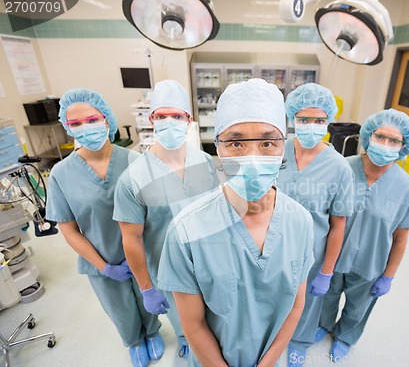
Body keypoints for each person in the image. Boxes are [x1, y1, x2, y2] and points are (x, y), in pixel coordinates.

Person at [157, 78, 315, 367]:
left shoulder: (300, 222)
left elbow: (296, 305)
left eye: (267, 142)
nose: (252, 157)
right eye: (236, 142)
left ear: (283, 145)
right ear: (218, 147)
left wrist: (268, 363)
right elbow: (193, 325)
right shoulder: (187, 231)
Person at [46, 88, 161, 367]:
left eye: (92, 120)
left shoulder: (135, 162)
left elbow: (156, 214)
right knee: (120, 309)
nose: (85, 128)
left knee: (149, 299)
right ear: (67, 128)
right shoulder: (61, 174)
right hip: (101, 259)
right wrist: (103, 266)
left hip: (142, 253)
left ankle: (153, 331)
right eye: (76, 124)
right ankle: (133, 341)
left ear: (106, 120)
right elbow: (69, 229)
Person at [113, 79, 219, 359]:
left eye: (177, 116)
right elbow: (132, 238)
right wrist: (146, 288)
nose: (169, 122)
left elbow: (215, 212)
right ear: (151, 120)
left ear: (189, 120)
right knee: (183, 319)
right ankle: (185, 337)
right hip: (168, 271)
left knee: (213, 317)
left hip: (209, 261)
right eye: (162, 116)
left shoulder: (205, 162)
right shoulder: (133, 178)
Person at [316, 108, 409, 362]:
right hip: (332, 257)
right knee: (326, 298)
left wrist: (389, 275)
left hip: (370, 263)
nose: (385, 144)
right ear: (368, 136)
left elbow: (400, 237)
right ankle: (324, 325)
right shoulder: (342, 169)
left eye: (394, 140)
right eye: (380, 136)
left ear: (403, 145)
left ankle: (345, 337)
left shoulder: (407, 188)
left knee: (358, 307)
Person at [275, 83, 354, 367]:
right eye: (304, 119)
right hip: (270, 247)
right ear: (292, 118)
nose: (311, 126)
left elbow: (338, 224)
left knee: (307, 304)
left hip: (312, 253)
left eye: (319, 120)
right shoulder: (275, 152)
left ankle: (299, 342)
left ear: (328, 121)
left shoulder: (338, 166)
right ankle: (274, 338)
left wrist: (327, 271)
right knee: (271, 297)